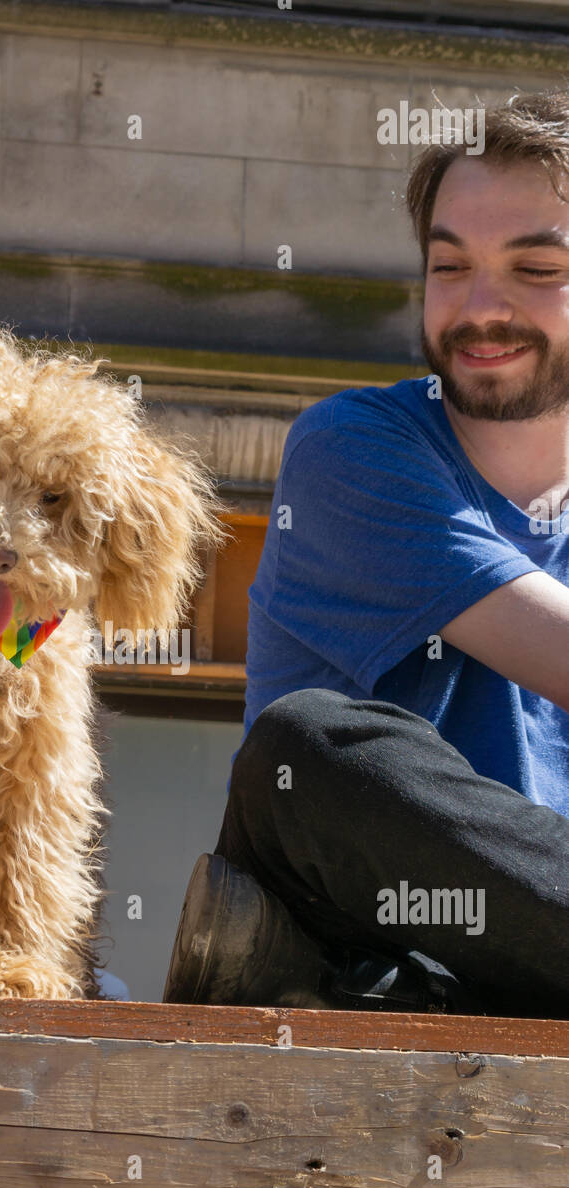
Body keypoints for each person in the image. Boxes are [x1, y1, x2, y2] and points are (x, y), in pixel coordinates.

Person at [165, 89, 569, 1019]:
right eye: (448, 264)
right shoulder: (355, 447)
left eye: (534, 267)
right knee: (314, 748)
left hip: (536, 961)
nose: (480, 308)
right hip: (366, 926)